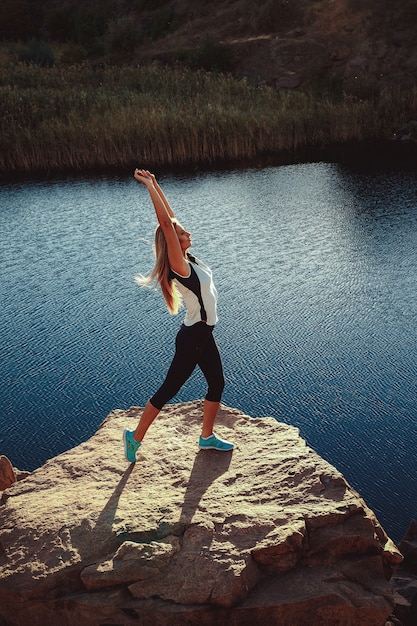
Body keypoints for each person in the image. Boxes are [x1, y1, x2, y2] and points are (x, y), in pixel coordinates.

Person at [123, 168, 234, 462]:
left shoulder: (190, 259)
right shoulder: (179, 266)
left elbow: (170, 221)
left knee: (217, 383)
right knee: (169, 389)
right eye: (182, 233)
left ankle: (206, 437)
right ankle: (133, 438)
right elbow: (165, 223)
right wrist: (148, 187)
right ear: (174, 242)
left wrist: (158, 184)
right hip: (192, 338)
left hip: (203, 334)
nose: (187, 232)